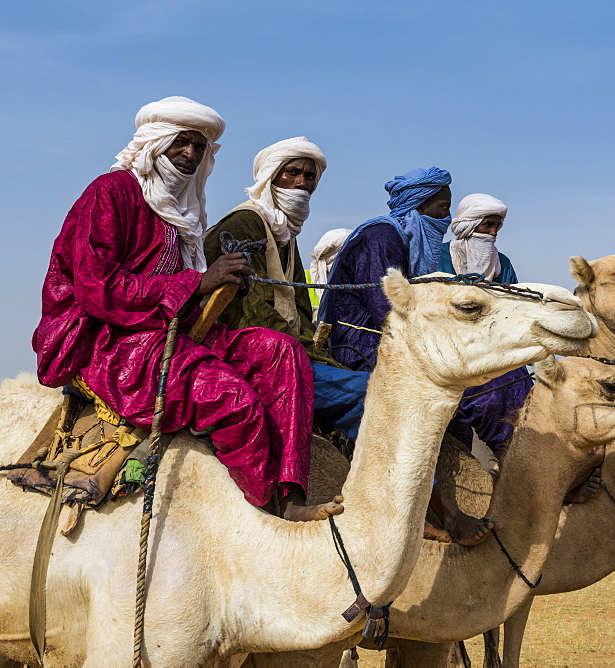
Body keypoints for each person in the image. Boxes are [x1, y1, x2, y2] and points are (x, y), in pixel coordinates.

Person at [33, 97, 341, 522]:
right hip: (104, 338)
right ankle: (261, 512)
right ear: (154, 143)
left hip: (167, 326)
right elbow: (96, 289)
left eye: (200, 147)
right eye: (182, 142)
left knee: (281, 354)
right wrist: (197, 282)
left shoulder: (183, 210)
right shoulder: (110, 194)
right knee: (231, 398)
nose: (191, 154)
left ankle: (290, 494)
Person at [319, 167, 499, 545]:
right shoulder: (380, 237)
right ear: (417, 207)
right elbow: (386, 307)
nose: (445, 220)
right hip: (360, 346)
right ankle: (443, 509)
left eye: (449, 211)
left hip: (389, 341)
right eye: (439, 209)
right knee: (410, 401)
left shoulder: (404, 241)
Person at [203, 138, 368, 443]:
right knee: (369, 392)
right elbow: (253, 311)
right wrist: (309, 355)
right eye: (292, 173)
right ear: (271, 175)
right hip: (246, 347)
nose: (302, 183)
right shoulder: (246, 222)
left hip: (288, 347)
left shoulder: (285, 234)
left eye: (310, 176)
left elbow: (301, 306)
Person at [437, 193, 518, 282]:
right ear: (469, 226)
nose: (494, 232)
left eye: (498, 225)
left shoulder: (503, 263)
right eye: (487, 225)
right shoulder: (438, 256)